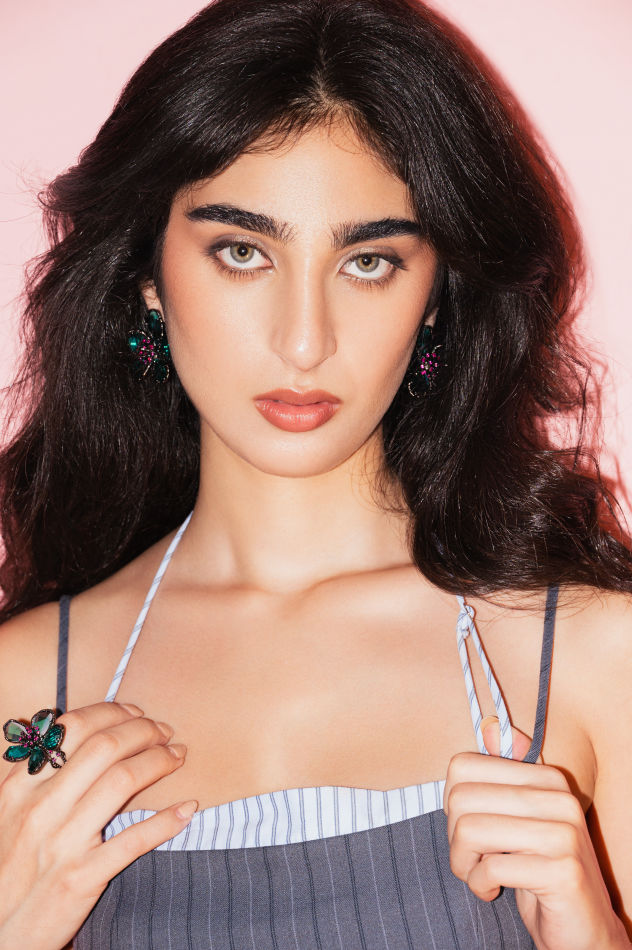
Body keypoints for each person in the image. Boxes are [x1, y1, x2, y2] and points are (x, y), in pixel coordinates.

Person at [0, 0, 631, 947]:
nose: (305, 341)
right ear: (147, 275)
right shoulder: (20, 701)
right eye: (241, 252)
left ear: (436, 295)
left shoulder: (593, 659)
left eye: (368, 261)